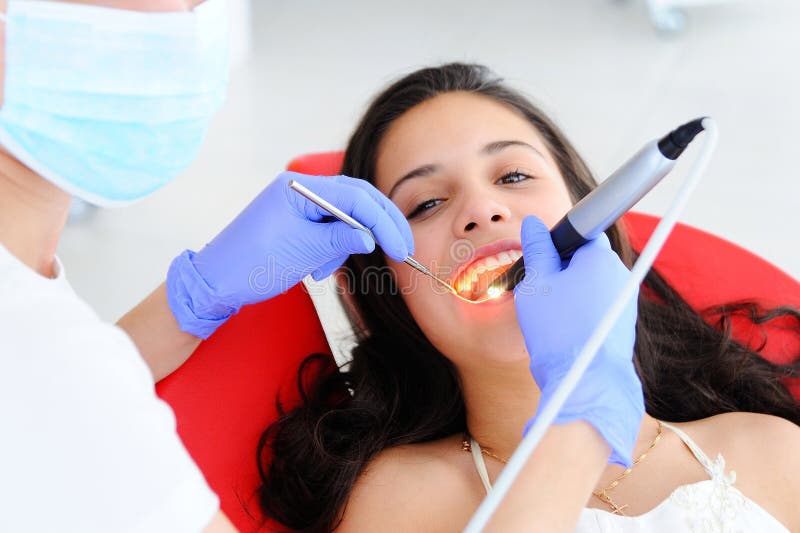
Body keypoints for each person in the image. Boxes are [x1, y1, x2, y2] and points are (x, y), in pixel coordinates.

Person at [259, 63, 800, 532]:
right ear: (384, 297)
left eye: (513, 174)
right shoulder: (398, 500)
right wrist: (581, 408)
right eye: (424, 204)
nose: (482, 209)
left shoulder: (771, 452)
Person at [0, 1, 415, 532]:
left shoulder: (47, 346)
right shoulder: (47, 360)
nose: (187, 16)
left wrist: (194, 298)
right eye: (427, 203)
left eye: (515, 176)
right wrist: (559, 441)